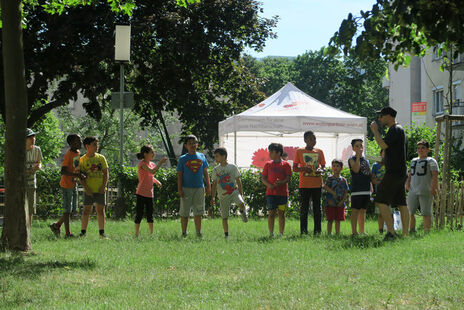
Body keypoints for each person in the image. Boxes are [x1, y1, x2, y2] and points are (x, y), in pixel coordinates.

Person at [370, 106, 409, 239]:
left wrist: (375, 131)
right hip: (400, 171)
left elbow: (383, 145)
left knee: (380, 200)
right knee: (401, 203)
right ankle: (405, 234)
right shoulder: (399, 130)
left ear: (389, 116)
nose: (379, 119)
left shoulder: (395, 129)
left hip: (394, 172)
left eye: (381, 116)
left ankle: (391, 232)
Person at [177, 135, 211, 237]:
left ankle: (198, 232)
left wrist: (208, 186)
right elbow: (179, 175)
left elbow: (206, 173)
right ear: (186, 146)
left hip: (199, 188)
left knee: (199, 212)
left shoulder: (202, 157)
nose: (192, 145)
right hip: (186, 188)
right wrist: (179, 189)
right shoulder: (182, 159)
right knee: (184, 212)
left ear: (197, 144)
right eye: (190, 143)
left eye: (194, 143)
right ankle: (184, 232)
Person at [50, 134, 83, 237]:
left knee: (73, 210)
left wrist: (80, 176)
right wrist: (76, 175)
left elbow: (76, 167)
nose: (80, 142)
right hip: (66, 185)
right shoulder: (68, 154)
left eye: (80, 140)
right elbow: (63, 171)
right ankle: (67, 233)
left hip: (73, 184)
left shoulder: (77, 152)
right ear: (71, 144)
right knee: (67, 210)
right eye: (78, 141)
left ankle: (57, 225)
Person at [211, 147, 248, 239]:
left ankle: (242, 212)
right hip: (223, 195)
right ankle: (226, 235)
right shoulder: (216, 170)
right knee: (224, 217)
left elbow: (238, 180)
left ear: (224, 156)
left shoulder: (232, 167)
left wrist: (241, 193)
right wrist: (212, 197)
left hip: (234, 192)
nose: (215, 158)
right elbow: (214, 184)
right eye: (215, 156)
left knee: (241, 203)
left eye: (217, 156)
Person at [293, 131, 326, 235]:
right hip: (304, 184)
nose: (313, 141)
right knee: (304, 209)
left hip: (317, 184)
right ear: (305, 140)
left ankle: (318, 231)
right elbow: (294, 168)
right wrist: (303, 169)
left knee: (317, 209)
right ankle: (303, 232)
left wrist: (320, 169)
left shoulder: (319, 151)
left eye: (315, 139)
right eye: (311, 139)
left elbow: (323, 166)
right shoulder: (299, 151)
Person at [405, 140, 439, 233]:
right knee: (410, 212)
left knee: (426, 213)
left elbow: (435, 175)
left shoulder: (431, 161)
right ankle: (411, 230)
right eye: (418, 148)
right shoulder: (413, 160)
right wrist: (407, 182)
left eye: (423, 148)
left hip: (425, 190)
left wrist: (433, 188)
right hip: (413, 189)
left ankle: (426, 231)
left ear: (428, 150)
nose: (420, 150)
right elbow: (410, 174)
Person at [79, 136, 109, 239]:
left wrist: (103, 186)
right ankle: (83, 232)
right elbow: (80, 177)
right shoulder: (82, 160)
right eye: (94, 144)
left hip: (100, 189)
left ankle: (102, 233)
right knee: (86, 211)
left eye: (97, 144)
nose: (97, 146)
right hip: (88, 190)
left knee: (100, 210)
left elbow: (106, 173)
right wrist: (86, 188)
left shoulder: (101, 158)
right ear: (87, 146)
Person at [134, 145, 167, 237]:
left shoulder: (152, 164)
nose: (153, 154)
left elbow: (150, 176)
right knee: (139, 214)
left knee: (150, 214)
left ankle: (151, 234)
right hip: (141, 193)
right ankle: (136, 234)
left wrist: (157, 182)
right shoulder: (142, 164)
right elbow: (152, 172)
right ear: (145, 154)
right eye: (151, 152)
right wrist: (160, 163)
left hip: (149, 194)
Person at [261, 143, 292, 237]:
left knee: (281, 214)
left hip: (283, 194)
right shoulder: (267, 164)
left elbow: (288, 178)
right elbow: (263, 178)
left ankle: (281, 234)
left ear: (278, 153)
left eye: (271, 152)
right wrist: (269, 185)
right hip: (271, 194)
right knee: (271, 214)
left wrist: (281, 182)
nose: (269, 154)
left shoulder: (286, 164)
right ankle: (271, 233)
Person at [348, 139, 371, 235]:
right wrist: (358, 157)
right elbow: (356, 170)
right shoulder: (351, 159)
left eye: (360, 145)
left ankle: (362, 231)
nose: (359, 147)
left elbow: (367, 174)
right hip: (357, 189)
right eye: (357, 146)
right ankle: (354, 231)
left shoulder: (366, 160)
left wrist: (371, 185)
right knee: (355, 210)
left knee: (363, 211)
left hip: (366, 189)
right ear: (353, 148)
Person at [322, 159, 348, 235]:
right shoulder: (330, 178)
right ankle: (329, 234)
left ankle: (337, 234)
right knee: (330, 219)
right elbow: (325, 187)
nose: (335, 168)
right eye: (334, 166)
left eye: (337, 166)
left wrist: (343, 201)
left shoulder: (343, 180)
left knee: (338, 220)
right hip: (330, 202)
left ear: (342, 168)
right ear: (331, 167)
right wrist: (333, 193)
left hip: (340, 203)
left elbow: (346, 191)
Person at [25, 128, 42, 229]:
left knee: (30, 210)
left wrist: (36, 167)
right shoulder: (19, 151)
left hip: (32, 184)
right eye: (30, 137)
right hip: (20, 185)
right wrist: (32, 169)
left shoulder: (37, 150)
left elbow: (39, 164)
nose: (33, 139)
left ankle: (28, 232)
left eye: (33, 136)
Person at [371, 149, 388, 233]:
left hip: (389, 192)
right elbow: (373, 179)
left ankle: (390, 230)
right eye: (383, 153)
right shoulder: (375, 165)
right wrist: (380, 183)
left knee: (390, 212)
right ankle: (380, 230)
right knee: (380, 213)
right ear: (380, 154)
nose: (385, 155)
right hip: (379, 191)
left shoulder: (390, 164)